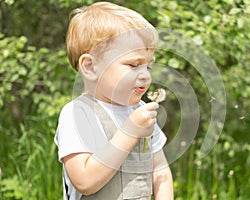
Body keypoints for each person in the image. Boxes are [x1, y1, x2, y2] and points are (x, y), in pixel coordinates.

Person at [54, 2, 173, 200]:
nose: (145, 75)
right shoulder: (78, 114)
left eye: (148, 67)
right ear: (91, 67)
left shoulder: (141, 111)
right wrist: (130, 132)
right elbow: (84, 182)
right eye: (134, 65)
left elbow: (160, 171)